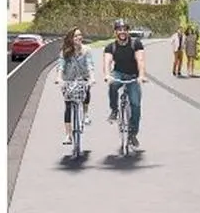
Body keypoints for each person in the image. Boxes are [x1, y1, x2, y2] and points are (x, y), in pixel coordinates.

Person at [103, 18, 147, 148]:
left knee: (136, 105)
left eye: (124, 29)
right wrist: (107, 75)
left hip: (133, 75)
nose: (122, 32)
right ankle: (114, 110)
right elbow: (107, 62)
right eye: (119, 30)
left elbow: (140, 60)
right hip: (118, 73)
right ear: (115, 32)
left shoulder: (136, 44)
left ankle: (132, 134)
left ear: (128, 31)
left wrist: (142, 75)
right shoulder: (111, 47)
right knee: (112, 85)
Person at [55, 26, 95, 145]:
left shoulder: (86, 50)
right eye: (76, 36)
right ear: (71, 39)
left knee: (86, 88)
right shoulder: (65, 52)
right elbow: (61, 66)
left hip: (82, 77)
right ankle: (68, 135)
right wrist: (59, 78)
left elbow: (90, 65)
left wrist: (92, 77)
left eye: (80, 35)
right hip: (69, 80)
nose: (79, 37)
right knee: (68, 106)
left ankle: (86, 114)